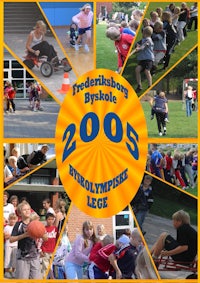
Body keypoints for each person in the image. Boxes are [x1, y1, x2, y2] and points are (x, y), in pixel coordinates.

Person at [10, 201, 42, 279]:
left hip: (35, 257)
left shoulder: (35, 223)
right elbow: (11, 239)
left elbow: (45, 238)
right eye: (24, 209)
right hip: (22, 257)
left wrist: (41, 233)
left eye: (28, 209)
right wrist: (24, 235)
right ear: (20, 213)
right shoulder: (18, 224)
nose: (27, 211)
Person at [134, 26, 154, 92]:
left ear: (144, 33)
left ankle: (150, 85)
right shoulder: (143, 40)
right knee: (137, 70)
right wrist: (136, 46)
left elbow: (143, 47)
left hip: (148, 59)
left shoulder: (148, 40)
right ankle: (139, 86)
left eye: (142, 33)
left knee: (146, 71)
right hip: (142, 59)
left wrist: (138, 49)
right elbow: (137, 43)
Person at [40, 213, 58, 277]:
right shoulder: (43, 229)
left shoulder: (55, 229)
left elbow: (57, 239)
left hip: (53, 251)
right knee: (45, 267)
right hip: (45, 251)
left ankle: (52, 277)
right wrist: (41, 250)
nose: (50, 221)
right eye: (49, 219)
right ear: (46, 220)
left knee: (52, 267)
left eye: (52, 219)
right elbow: (40, 240)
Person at [4, 213, 18, 279]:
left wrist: (11, 235)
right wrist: (13, 236)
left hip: (15, 245)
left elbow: (18, 236)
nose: (12, 221)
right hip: (8, 245)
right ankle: (6, 271)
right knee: (7, 258)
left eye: (14, 219)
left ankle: (13, 271)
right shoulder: (6, 227)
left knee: (14, 259)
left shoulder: (17, 227)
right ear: (9, 220)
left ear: (16, 220)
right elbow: (6, 237)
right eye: (11, 219)